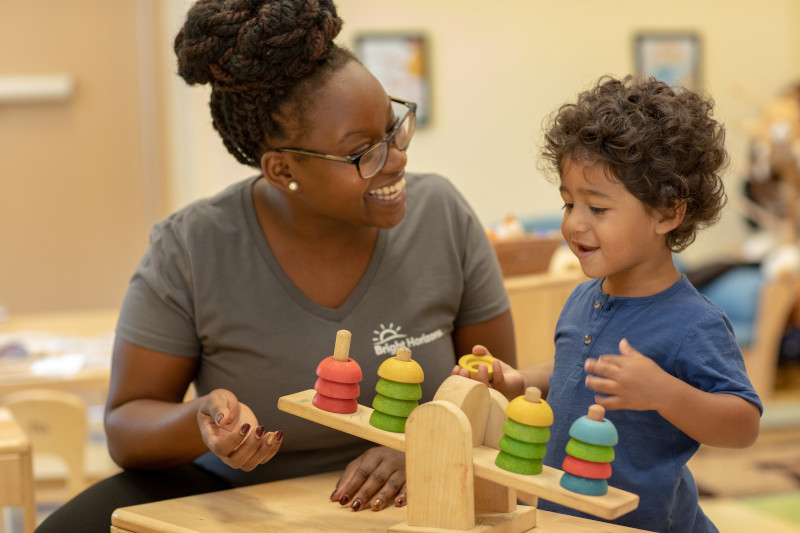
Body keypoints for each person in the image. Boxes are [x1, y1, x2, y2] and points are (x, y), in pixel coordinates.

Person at [36, 1, 516, 531]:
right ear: (283, 169)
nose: (397, 159)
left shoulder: (441, 216)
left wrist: (427, 450)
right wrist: (201, 422)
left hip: (416, 499)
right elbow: (127, 426)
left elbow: (495, 389)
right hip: (243, 502)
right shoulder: (193, 247)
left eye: (393, 127)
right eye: (364, 151)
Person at [455, 75, 762, 533]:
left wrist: (663, 393)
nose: (575, 224)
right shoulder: (584, 297)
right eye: (567, 204)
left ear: (667, 213)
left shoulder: (694, 324)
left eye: (596, 208)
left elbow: (743, 425)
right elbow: (573, 370)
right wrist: (519, 381)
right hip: (564, 515)